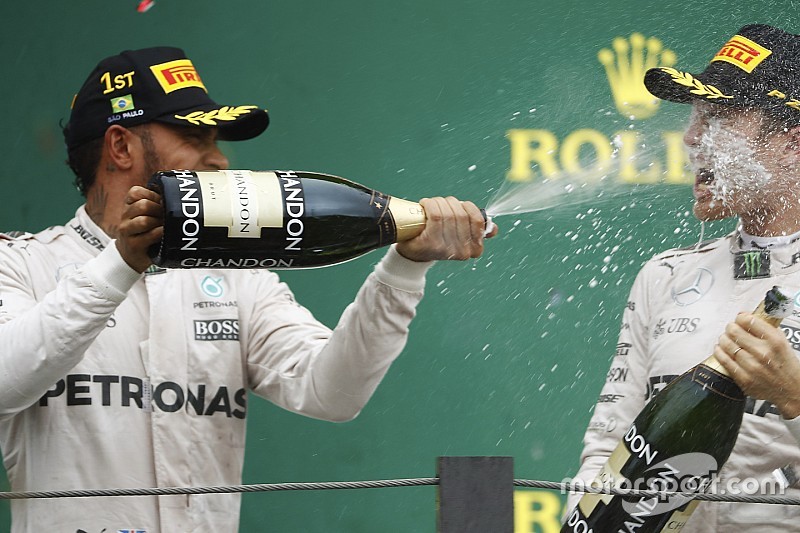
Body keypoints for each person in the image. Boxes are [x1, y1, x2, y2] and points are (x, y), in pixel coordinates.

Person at [0, 47, 495, 532]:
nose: (219, 159)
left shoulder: (239, 280)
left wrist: (405, 267)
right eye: (196, 137)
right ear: (121, 146)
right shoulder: (21, 263)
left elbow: (332, 393)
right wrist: (122, 262)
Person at [567, 24, 800, 532]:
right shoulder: (664, 275)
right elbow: (609, 444)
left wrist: (795, 395)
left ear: (789, 142)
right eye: (694, 118)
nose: (691, 138)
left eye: (716, 118)